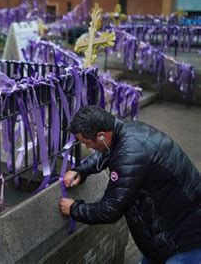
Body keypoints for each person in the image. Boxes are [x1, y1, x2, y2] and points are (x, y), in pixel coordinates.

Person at [59, 105, 201, 264]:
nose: (87, 147)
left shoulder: (130, 155)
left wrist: (73, 209)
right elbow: (108, 153)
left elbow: (109, 210)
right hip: (167, 234)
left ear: (101, 136)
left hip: (184, 241)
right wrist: (82, 171)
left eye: (87, 143)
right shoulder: (125, 130)